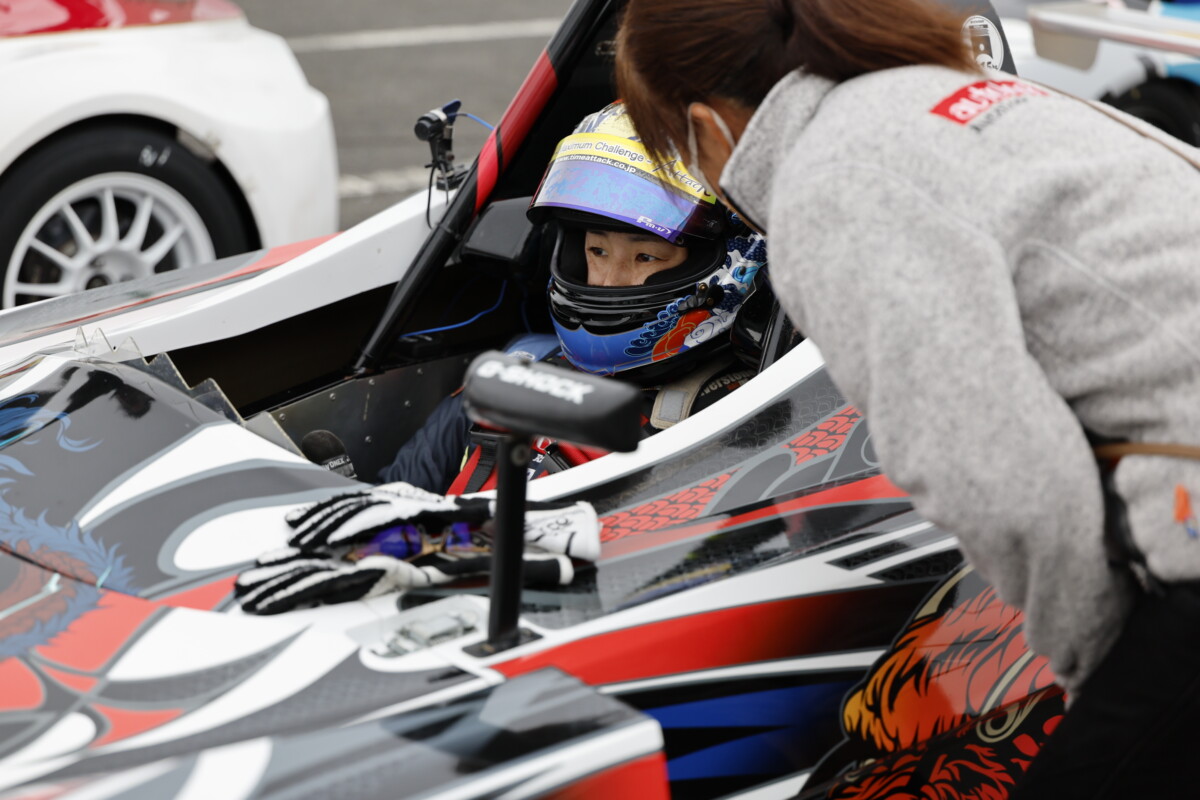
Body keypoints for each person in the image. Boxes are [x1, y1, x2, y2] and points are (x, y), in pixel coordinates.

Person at [614, 0, 1200, 796]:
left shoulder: (834, 181)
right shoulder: (956, 89)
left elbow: (1009, 485)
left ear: (704, 126)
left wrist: (1093, 671)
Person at [379, 101, 768, 494]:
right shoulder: (518, 369)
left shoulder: (739, 415)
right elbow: (389, 496)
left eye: (645, 257)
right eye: (597, 251)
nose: (608, 283)